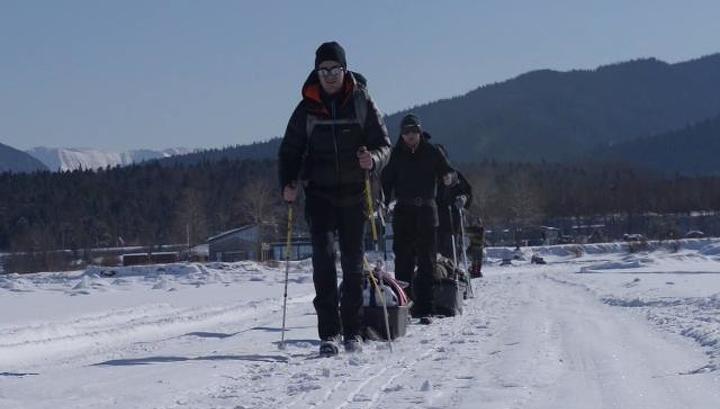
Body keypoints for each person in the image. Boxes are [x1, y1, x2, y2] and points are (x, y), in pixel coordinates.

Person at [278, 42, 391, 355]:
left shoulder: (362, 102)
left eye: (335, 70)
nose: (329, 76)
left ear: (345, 70)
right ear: (317, 72)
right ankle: (330, 333)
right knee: (324, 261)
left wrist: (374, 160)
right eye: (323, 70)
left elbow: (384, 144)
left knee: (354, 264)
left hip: (355, 194)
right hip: (320, 194)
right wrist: (288, 182)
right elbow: (290, 150)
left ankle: (352, 331)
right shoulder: (307, 107)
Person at [382, 114, 455, 324]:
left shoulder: (432, 151)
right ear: (402, 134)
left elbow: (448, 171)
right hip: (403, 211)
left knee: (427, 261)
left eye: (414, 131)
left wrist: (448, 178)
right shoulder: (395, 155)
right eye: (406, 132)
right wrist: (383, 203)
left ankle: (426, 308)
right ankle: (405, 305)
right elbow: (386, 183)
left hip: (427, 211)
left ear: (420, 131)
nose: (410, 135)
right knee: (403, 260)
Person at [434, 144, 473, 262]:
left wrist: (463, 199)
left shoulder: (454, 176)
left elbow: (468, 192)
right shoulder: (425, 176)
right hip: (430, 225)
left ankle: (450, 276)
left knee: (450, 257)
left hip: (451, 224)